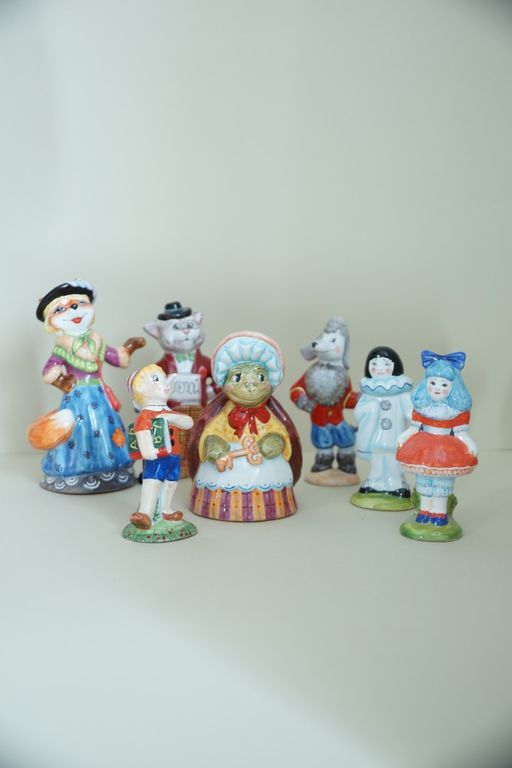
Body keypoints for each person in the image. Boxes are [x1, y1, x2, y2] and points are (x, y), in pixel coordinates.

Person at [396, 351, 477, 535]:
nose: (437, 388)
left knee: (442, 481)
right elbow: (414, 427)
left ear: (453, 387)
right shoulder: (423, 408)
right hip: (423, 446)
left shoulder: (455, 411)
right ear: (426, 384)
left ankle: (439, 513)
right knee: (423, 480)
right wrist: (404, 436)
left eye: (444, 384)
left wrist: (469, 443)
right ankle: (424, 511)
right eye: (432, 383)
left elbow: (460, 432)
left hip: (447, 448)